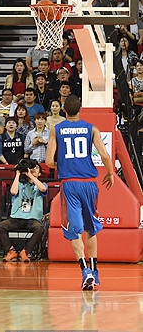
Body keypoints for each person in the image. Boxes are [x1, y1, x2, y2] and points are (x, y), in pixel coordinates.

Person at [46, 95, 115, 290]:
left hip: (70, 184)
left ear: (64, 110)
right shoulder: (91, 128)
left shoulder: (56, 130)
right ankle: (95, 272)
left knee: (72, 229)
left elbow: (49, 162)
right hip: (89, 184)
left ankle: (85, 271)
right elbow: (105, 155)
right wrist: (110, 173)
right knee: (90, 227)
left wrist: (66, 163)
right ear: (80, 109)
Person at [0, 159, 47, 263]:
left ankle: (25, 252)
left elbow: (43, 189)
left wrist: (31, 176)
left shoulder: (42, 184)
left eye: (36, 168)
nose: (33, 169)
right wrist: (18, 174)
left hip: (33, 219)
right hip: (16, 218)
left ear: (40, 173)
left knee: (40, 228)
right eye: (32, 168)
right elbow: (13, 191)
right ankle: (11, 251)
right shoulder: (20, 184)